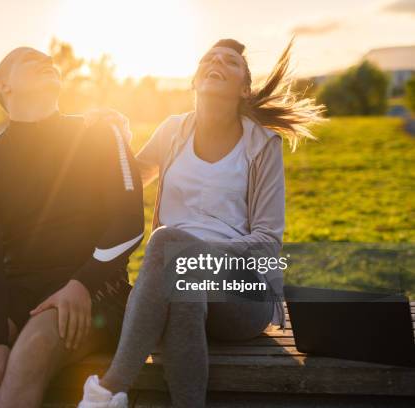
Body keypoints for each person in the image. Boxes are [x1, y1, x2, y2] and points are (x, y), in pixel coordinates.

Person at [78, 38, 326, 408]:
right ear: (195, 80)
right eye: (210, 58)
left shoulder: (261, 145)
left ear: (244, 89)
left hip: (243, 294)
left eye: (230, 62)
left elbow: (268, 244)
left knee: (173, 250)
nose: (217, 62)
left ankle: (109, 389)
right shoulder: (173, 130)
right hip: (177, 285)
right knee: (181, 278)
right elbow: (129, 178)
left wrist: (196, 252)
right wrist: (117, 134)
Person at [0, 46, 144, 408]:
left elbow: (129, 223)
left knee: (33, 349)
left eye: (50, 63)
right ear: (4, 86)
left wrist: (82, 283)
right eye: (31, 61)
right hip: (11, 290)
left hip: (96, 287)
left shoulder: (100, 135)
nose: (48, 63)